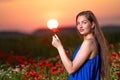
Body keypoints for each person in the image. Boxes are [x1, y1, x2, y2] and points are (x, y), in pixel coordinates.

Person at [52, 10, 110, 80]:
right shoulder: (91, 42)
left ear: (92, 24)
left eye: (84, 23)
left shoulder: (88, 43)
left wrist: (59, 47)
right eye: (78, 23)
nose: (80, 26)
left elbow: (71, 69)